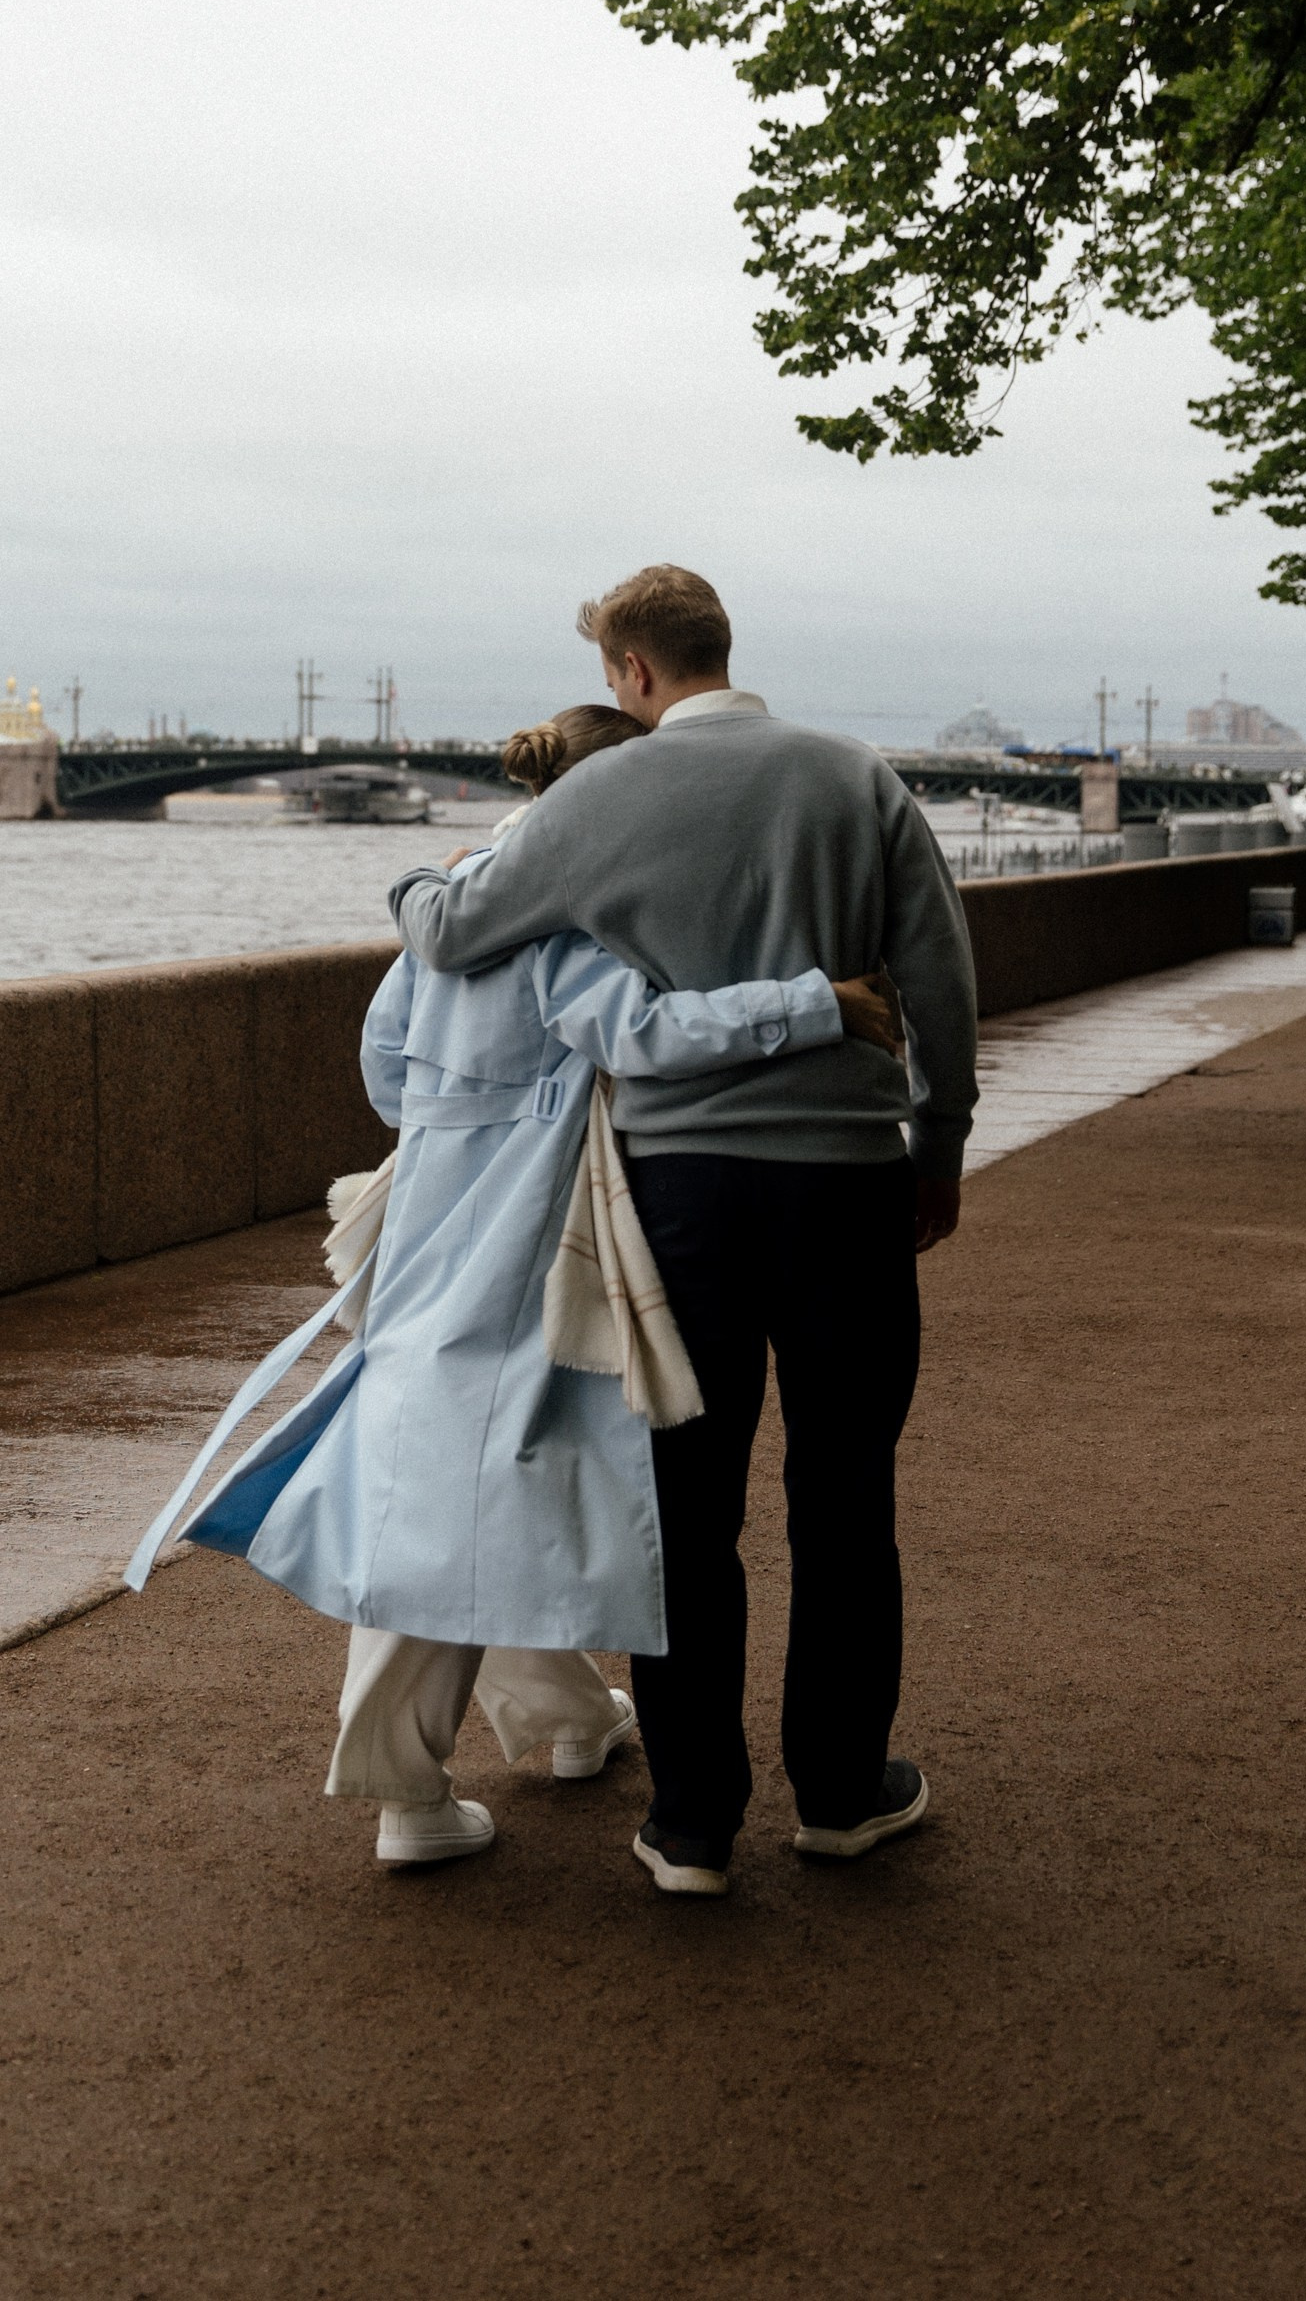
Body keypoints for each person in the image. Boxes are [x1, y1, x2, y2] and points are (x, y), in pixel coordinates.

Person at [126, 702, 903, 1875]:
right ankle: (406, 1788)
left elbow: (384, 1068)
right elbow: (641, 1034)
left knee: (484, 1474)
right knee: (473, 1485)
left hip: (433, 1208)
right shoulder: (569, 918)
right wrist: (818, 1001)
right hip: (533, 1226)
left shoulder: (462, 899)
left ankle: (569, 1720)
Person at [386, 567, 978, 1895]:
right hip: (844, 1180)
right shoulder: (856, 779)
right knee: (845, 1494)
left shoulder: (603, 791)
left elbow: (462, 928)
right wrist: (935, 1150)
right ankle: (839, 1794)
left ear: (630, 674)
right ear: (720, 648)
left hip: (681, 1195)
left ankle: (696, 1819)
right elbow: (940, 976)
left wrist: (415, 883)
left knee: (686, 1506)